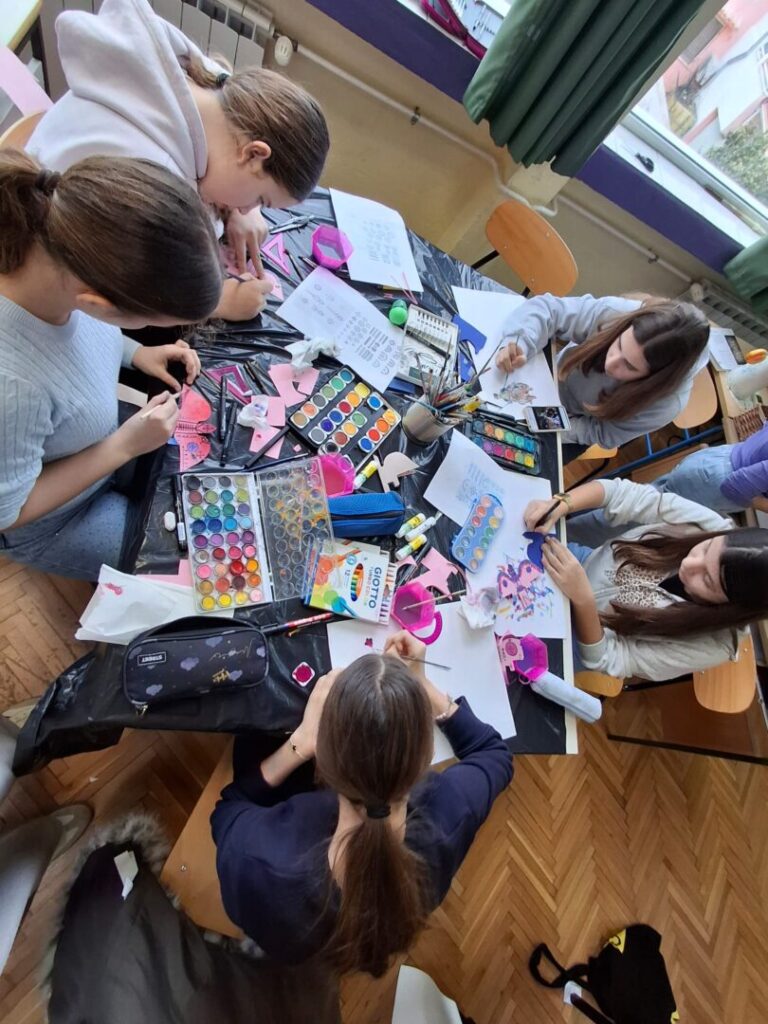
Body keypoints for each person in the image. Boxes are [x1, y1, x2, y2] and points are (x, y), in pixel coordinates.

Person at [211, 632, 514, 976]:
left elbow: (231, 806)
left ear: (323, 757)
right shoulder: (447, 813)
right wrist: (424, 686)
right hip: (334, 942)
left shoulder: (262, 858)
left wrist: (298, 745)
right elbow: (494, 754)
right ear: (426, 757)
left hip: (289, 938)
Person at [28, 0, 330, 322]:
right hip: (52, 266)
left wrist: (239, 210)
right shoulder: (150, 172)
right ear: (253, 154)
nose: (247, 209)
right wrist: (220, 302)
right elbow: (137, 288)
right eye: (260, 199)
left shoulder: (208, 87)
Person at [0, 148, 222, 579]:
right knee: (184, 567)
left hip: (93, 442)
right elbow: (10, 510)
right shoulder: (13, 386)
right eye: (151, 323)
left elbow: (84, 334)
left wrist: (136, 352)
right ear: (97, 302)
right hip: (51, 518)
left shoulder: (60, 247)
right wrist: (123, 446)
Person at [523, 478, 768, 682]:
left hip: (573, 640)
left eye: (706, 580)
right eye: (704, 549)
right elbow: (622, 494)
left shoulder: (714, 645)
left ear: (728, 608)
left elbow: (606, 659)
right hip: (574, 562)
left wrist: (583, 600)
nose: (689, 564)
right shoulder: (711, 525)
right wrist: (561, 503)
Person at [495, 294, 710, 453]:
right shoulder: (616, 313)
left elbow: (601, 432)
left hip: (573, 422)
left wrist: (542, 421)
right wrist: (520, 342)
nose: (611, 363)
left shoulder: (666, 404)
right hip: (549, 375)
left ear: (652, 379)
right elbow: (551, 309)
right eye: (618, 345)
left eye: (630, 366)